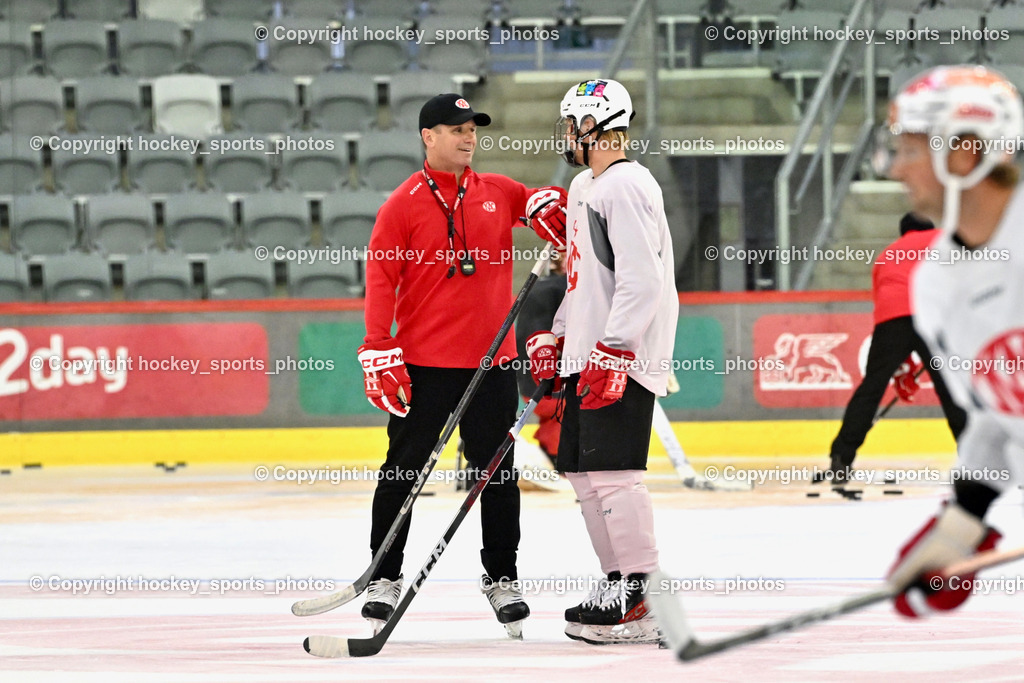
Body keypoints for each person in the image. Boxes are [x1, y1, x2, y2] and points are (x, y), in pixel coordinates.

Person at [356, 92, 567, 639]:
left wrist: (551, 206)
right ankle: (384, 577)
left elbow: (546, 204)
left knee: (496, 475)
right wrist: (378, 345)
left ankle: (502, 577)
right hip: (424, 365)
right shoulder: (402, 204)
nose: (469, 137)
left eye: (472, 129)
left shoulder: (498, 190)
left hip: (492, 363)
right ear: (428, 137)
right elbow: (381, 278)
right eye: (456, 129)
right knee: (402, 471)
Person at [527, 78, 678, 645]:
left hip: (620, 355)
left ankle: (644, 594)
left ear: (593, 126)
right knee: (584, 475)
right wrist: (559, 336)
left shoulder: (627, 184)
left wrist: (615, 348)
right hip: (588, 354)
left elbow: (643, 279)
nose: (567, 134)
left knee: (615, 474)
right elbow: (583, 279)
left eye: (572, 124)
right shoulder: (583, 185)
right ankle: (618, 583)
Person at [880, 65, 1024, 618]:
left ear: (963, 153)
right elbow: (996, 420)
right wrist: (961, 526)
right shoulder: (936, 283)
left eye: (910, 151)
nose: (895, 169)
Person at [821, 212, 967, 484]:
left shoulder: (886, 255)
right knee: (951, 390)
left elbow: (886, 310)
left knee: (871, 388)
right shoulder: (942, 239)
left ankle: (841, 458)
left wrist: (903, 367)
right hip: (930, 315)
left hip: (891, 321)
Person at [514, 251, 568, 463]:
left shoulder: (536, 288)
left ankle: (548, 453)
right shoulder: (567, 289)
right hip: (555, 389)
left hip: (530, 387)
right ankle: (557, 458)